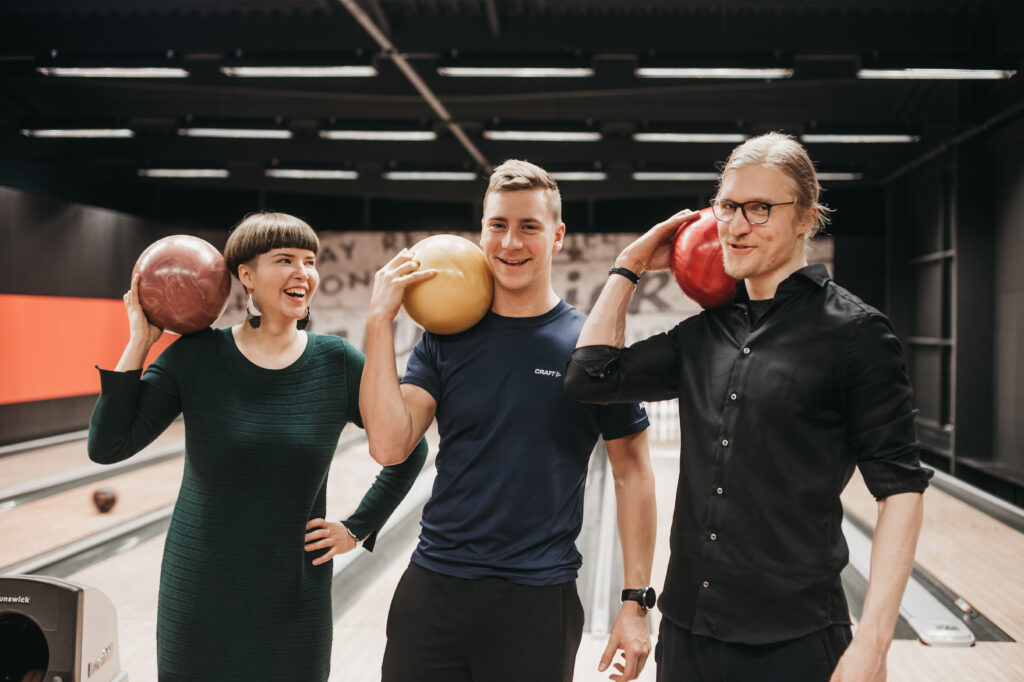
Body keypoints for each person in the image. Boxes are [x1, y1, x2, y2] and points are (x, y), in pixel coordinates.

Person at [564, 132, 932, 682]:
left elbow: (899, 487)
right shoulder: (702, 335)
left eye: (760, 209)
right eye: (728, 206)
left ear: (807, 217)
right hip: (687, 635)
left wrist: (874, 643)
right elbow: (590, 376)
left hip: (795, 641)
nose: (736, 226)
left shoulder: (856, 335)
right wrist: (629, 265)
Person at [88, 211, 427, 681]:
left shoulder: (338, 363)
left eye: (309, 261)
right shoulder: (196, 356)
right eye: (284, 260)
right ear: (245, 275)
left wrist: (358, 527)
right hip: (200, 593)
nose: (302, 273)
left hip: (294, 597)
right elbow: (108, 445)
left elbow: (407, 449)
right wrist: (140, 343)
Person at [357, 159, 656, 682]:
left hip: (536, 600)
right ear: (481, 231)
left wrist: (635, 605)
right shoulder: (444, 337)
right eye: (498, 225)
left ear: (557, 236)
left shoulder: (589, 347)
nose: (510, 242)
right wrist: (379, 321)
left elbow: (633, 472)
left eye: (529, 227)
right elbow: (388, 445)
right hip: (434, 589)